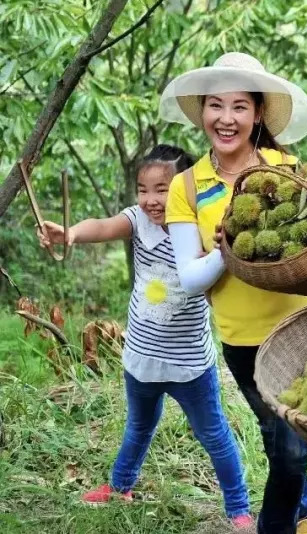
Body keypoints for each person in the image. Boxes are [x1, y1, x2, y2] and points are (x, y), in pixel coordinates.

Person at [36, 145, 252, 529]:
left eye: (163, 189)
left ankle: (237, 508)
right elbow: (101, 226)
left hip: (189, 364)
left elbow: (221, 270)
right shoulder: (138, 221)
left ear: (185, 188)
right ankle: (121, 486)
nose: (152, 200)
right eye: (143, 189)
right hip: (141, 357)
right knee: (138, 426)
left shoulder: (202, 227)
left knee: (214, 435)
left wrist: (221, 248)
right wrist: (70, 233)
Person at [159, 52, 307, 534]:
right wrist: (227, 246)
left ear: (256, 115)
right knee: (279, 439)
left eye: (239, 107)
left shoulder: (287, 171)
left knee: (291, 448)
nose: (226, 119)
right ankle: (306, 506)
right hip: (242, 339)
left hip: (300, 328)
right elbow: (190, 279)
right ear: (202, 112)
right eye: (215, 106)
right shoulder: (185, 186)